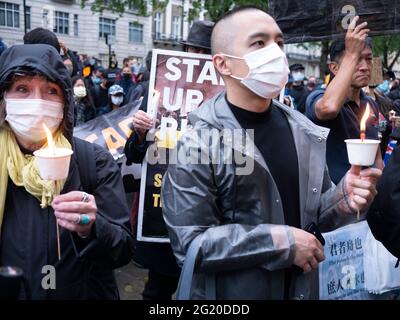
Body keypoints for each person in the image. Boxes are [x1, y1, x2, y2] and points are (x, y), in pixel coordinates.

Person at [160, 6, 381, 300]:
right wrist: (279, 242)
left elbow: (314, 217)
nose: (275, 52)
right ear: (223, 64)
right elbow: (191, 245)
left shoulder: (302, 130)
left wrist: (343, 198)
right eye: (259, 43)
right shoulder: (198, 142)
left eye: (279, 42)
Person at [0, 44, 134, 299]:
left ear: (65, 103)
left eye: (50, 91)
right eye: (22, 89)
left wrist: (91, 227)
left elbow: (123, 249)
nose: (37, 102)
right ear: (4, 99)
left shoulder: (92, 161)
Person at [123, 20, 214, 301]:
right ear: (185, 50)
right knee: (157, 291)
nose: (198, 58)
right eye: (194, 50)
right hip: (162, 215)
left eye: (206, 53)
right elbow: (133, 154)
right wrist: (140, 134)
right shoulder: (157, 93)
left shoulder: (230, 98)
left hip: (210, 216)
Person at [305, 17, 384, 184]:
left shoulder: (371, 104)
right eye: (356, 60)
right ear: (334, 68)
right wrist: (351, 53)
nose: (364, 67)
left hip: (366, 199)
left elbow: (376, 157)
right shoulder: (318, 96)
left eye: (368, 59)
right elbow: (329, 108)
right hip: (332, 200)